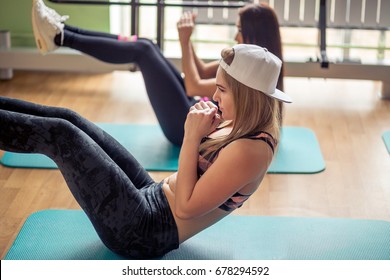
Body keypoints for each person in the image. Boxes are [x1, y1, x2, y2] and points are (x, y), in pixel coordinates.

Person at [0, 43, 292, 259]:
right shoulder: (239, 124)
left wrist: (192, 136)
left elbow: (186, 208)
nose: (214, 97)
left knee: (62, 137)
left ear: (247, 96)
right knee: (71, 119)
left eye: (223, 90)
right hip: (150, 195)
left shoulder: (251, 151)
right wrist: (201, 130)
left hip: (141, 229)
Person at [31, 0, 285, 146]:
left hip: (185, 125)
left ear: (254, 35)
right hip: (196, 109)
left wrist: (184, 42)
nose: (235, 35)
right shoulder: (254, 63)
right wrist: (188, 40)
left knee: (142, 51)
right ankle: (61, 31)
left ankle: (59, 35)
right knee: (147, 44)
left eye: (239, 29)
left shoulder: (250, 78)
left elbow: (193, 86)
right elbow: (203, 72)